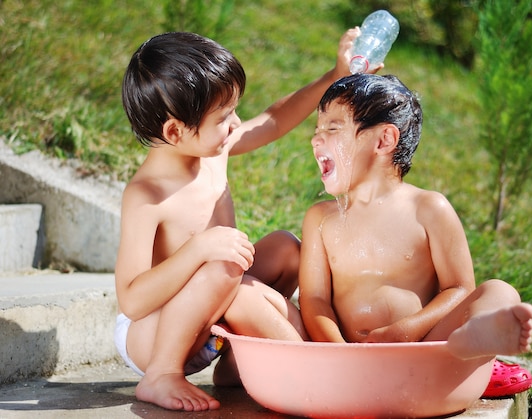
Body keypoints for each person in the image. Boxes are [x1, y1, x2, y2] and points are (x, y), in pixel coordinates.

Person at [114, 30, 369, 412]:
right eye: (223, 116)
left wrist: (334, 75)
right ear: (174, 131)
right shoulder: (147, 195)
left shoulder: (213, 146)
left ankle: (236, 366)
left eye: (233, 111)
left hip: (213, 310)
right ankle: (162, 377)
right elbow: (132, 300)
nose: (235, 124)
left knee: (286, 249)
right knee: (226, 270)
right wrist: (198, 250)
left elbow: (274, 119)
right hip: (154, 336)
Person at [299, 73, 532, 363]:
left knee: (500, 290)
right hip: (346, 357)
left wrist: (404, 331)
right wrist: (340, 352)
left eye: (333, 128)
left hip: (422, 352)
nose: (315, 138)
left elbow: (459, 290)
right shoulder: (321, 219)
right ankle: (472, 343)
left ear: (384, 139)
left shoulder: (427, 208)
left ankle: (476, 337)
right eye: (317, 128)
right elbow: (314, 300)